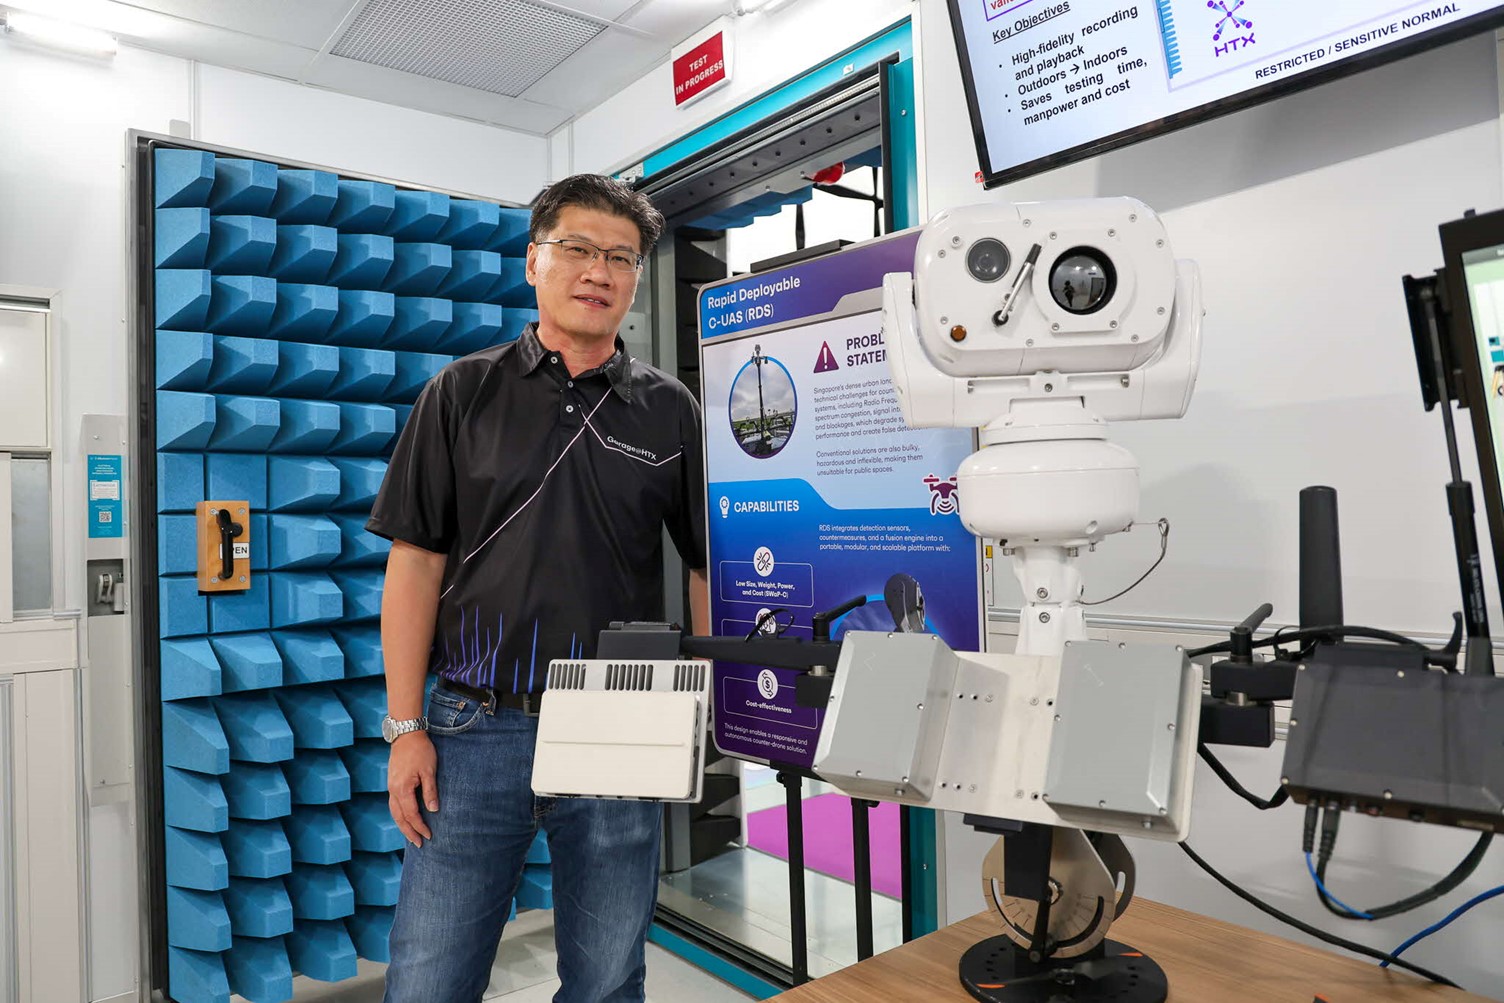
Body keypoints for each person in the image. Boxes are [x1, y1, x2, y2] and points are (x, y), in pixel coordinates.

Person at [367, 173, 710, 1003]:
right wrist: (406, 727)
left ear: (635, 278)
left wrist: (705, 707)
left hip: (618, 720)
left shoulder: (670, 410)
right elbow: (414, 565)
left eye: (621, 257)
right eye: (579, 249)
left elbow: (703, 566)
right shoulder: (462, 391)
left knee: (605, 980)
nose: (599, 271)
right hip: (473, 724)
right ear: (534, 261)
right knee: (428, 980)